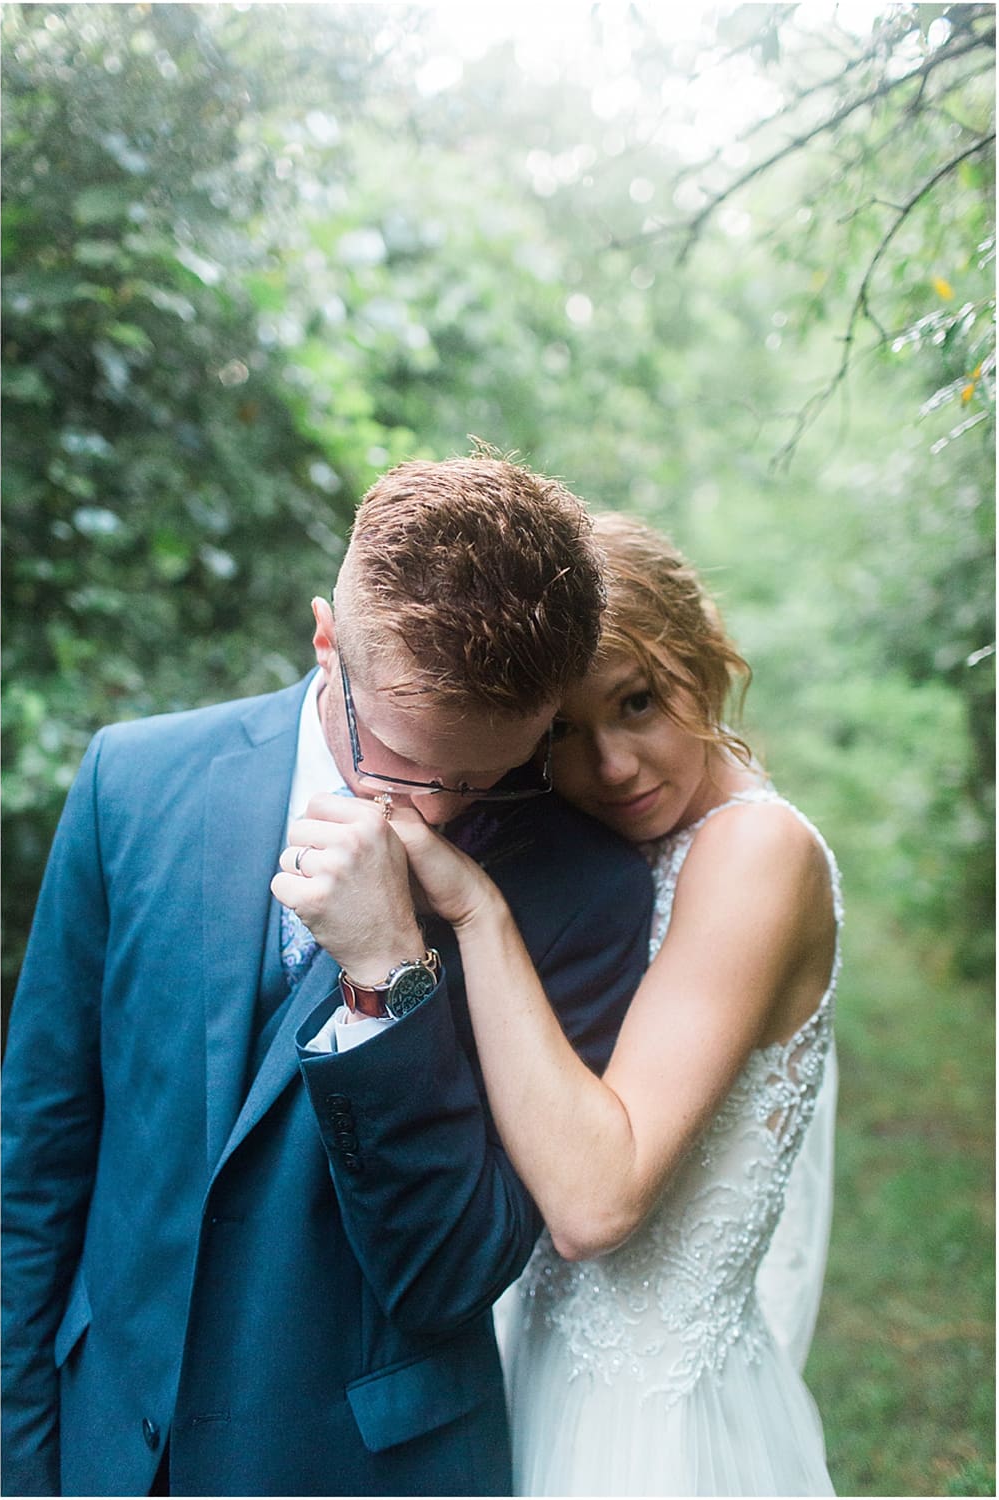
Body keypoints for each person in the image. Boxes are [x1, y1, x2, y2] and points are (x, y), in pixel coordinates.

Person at [0, 456, 654, 1496]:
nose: (436, 815)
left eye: (488, 775)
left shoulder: (586, 892)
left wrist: (386, 976)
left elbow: (450, 1276)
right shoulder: (132, 781)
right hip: (105, 1444)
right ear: (323, 642)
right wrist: (23, 1461)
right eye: (399, 759)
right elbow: (40, 1156)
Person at [292, 513, 838, 1494]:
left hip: (648, 1425)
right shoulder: (610, 857)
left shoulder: (755, 852)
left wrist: (472, 908)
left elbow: (593, 1204)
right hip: (536, 1370)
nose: (613, 767)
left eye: (638, 702)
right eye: (563, 736)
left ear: (702, 652)